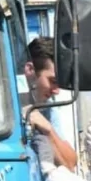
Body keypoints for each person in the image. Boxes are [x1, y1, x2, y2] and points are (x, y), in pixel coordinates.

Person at [24, 37, 77, 171]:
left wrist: (48, 130)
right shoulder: (1, 104)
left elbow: (70, 162)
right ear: (30, 70)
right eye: (52, 81)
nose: (57, 91)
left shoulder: (46, 111)